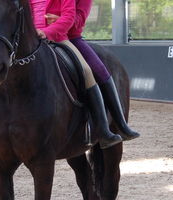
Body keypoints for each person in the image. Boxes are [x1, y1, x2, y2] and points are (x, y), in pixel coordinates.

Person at [0, 0, 123, 155]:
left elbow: (69, 17)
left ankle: (104, 129)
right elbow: (23, 14)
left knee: (88, 71)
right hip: (30, 40)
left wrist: (48, 31)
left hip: (62, 37)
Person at [46, 0, 140, 140]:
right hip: (41, 34)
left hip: (71, 37)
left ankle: (118, 124)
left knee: (98, 70)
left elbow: (79, 19)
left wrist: (60, 22)